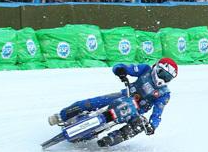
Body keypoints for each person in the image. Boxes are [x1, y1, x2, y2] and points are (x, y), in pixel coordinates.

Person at [47, 59, 177, 144]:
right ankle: (61, 116)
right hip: (123, 96)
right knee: (91, 103)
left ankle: (111, 139)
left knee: (139, 126)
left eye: (167, 77)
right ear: (156, 68)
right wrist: (121, 71)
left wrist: (152, 125)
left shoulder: (164, 94)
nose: (162, 79)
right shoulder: (145, 70)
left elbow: (158, 113)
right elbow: (122, 66)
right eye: (162, 74)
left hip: (134, 112)